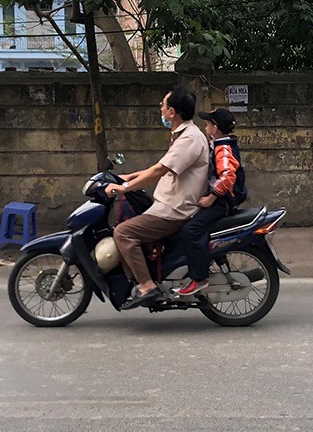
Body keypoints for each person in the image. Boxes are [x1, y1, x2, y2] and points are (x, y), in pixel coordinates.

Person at [104, 86, 209, 310]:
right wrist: (129, 176)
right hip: (168, 203)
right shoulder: (182, 136)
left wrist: (126, 187)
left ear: (172, 112)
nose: (160, 109)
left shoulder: (189, 139)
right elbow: (160, 166)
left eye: (163, 105)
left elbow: (159, 171)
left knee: (123, 232)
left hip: (175, 210)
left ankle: (147, 286)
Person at [174, 107, 246, 296]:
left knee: (192, 230)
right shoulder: (218, 144)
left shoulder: (223, 148)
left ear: (215, 128)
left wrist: (210, 198)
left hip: (221, 202)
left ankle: (198, 278)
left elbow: (227, 176)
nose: (205, 127)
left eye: (208, 124)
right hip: (218, 199)